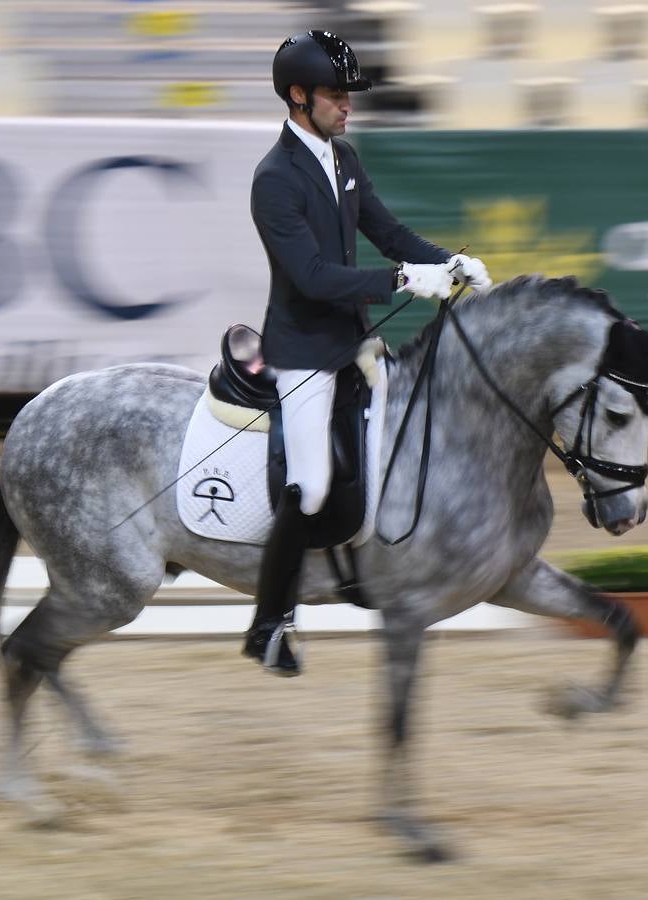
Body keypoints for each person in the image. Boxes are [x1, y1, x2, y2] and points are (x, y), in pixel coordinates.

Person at [242, 29, 492, 676]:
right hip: (303, 351)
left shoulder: (344, 157)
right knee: (312, 483)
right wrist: (404, 281)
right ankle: (270, 623)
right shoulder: (274, 179)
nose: (346, 104)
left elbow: (387, 232)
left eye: (347, 94)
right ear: (298, 97)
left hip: (353, 342)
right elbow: (314, 277)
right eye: (334, 94)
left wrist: (450, 260)